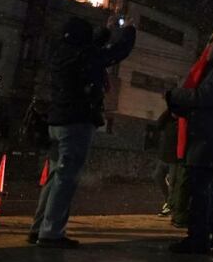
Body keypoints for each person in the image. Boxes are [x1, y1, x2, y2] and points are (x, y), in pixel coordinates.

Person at [29, 16, 136, 248]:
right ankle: (51, 233)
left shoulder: (62, 53)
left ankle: (38, 228)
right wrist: (129, 31)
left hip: (56, 122)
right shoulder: (85, 56)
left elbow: (90, 50)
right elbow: (117, 52)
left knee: (55, 177)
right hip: (76, 122)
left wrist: (105, 32)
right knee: (65, 179)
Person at [165, 27, 213, 254]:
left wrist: (175, 94)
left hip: (209, 142)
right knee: (201, 190)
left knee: (198, 191)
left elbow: (205, 97)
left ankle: (199, 239)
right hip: (208, 141)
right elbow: (205, 102)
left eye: (212, 43)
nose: (207, 47)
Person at [152, 110, 177, 216]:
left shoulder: (183, 121)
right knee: (157, 176)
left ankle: (170, 206)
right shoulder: (167, 120)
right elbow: (158, 124)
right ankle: (168, 200)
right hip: (164, 156)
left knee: (172, 184)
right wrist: (169, 110)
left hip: (175, 159)